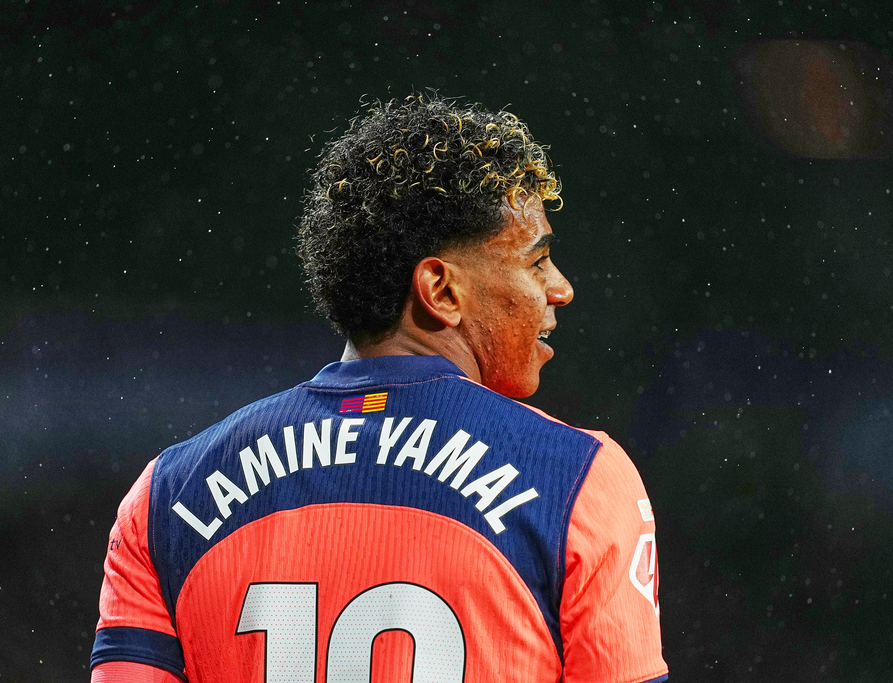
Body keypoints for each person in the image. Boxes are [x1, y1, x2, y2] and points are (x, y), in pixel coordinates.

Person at [90, 94, 668, 683]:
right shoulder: (579, 481)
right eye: (537, 261)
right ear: (441, 290)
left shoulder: (165, 499)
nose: (561, 288)